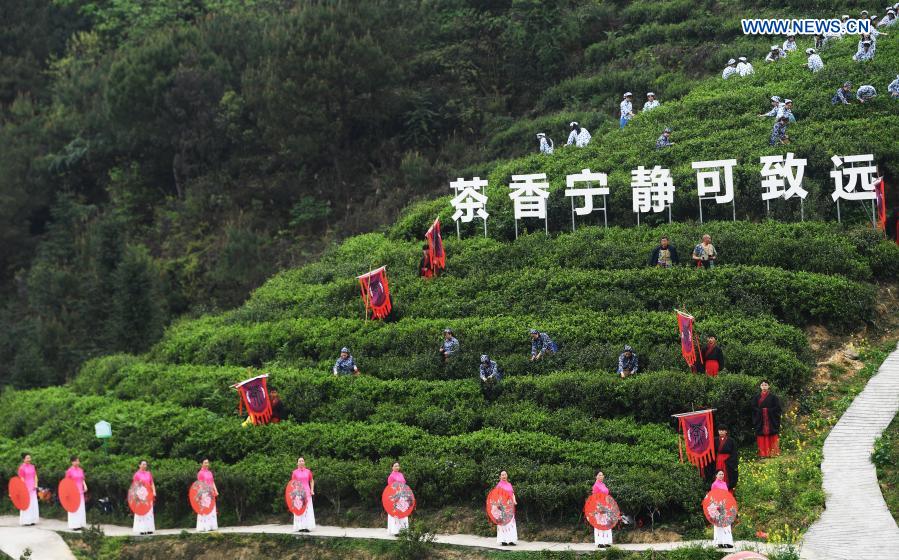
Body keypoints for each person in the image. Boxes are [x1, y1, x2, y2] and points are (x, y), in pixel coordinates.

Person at [752, 380, 782, 458]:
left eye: (765, 385)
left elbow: (777, 408)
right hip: (760, 420)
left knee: (773, 434)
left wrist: (767, 411)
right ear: (760, 387)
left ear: (768, 386)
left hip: (771, 420)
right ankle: (763, 454)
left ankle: (774, 453)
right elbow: (753, 408)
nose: (764, 386)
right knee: (761, 435)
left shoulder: (773, 397)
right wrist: (761, 411)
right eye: (762, 385)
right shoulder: (756, 398)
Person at [707, 471, 735, 549]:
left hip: (725, 505)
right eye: (720, 474)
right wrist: (716, 506)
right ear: (716, 475)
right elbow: (713, 495)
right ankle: (718, 543)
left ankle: (728, 542)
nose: (721, 475)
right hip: (718, 506)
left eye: (722, 474)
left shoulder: (725, 484)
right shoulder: (714, 484)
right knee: (718, 525)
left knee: (727, 523)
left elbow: (727, 494)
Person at [132, 460, 156, 535]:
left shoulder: (149, 473)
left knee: (149, 512)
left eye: (145, 464)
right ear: (139, 465)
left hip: (149, 494)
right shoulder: (136, 474)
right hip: (141, 495)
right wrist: (136, 495)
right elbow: (135, 485)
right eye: (143, 464)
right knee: (142, 512)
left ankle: (149, 528)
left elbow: (152, 483)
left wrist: (154, 491)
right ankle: (142, 529)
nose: (145, 465)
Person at [292, 457, 316, 532]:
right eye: (299, 461)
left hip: (307, 493)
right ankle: (300, 527)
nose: (301, 462)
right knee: (300, 510)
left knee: (307, 510)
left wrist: (312, 490)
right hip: (298, 494)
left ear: (304, 462)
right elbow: (292, 483)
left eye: (302, 461)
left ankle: (308, 527)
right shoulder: (294, 472)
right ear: (297, 463)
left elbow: (311, 481)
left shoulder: (308, 471)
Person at [495, 471, 518, 546]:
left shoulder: (509, 484)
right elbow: (496, 495)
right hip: (503, 507)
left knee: (511, 523)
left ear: (507, 476)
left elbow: (512, 494)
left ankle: (511, 540)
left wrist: (514, 500)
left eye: (505, 474)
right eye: (502, 475)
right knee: (504, 523)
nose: (504, 476)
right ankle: (504, 540)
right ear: (500, 477)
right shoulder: (499, 485)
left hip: (511, 506)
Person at [196, 459, 219, 532]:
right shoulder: (200, 473)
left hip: (211, 492)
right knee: (206, 508)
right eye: (205, 463)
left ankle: (212, 526)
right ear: (202, 464)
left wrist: (216, 490)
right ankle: (204, 526)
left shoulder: (210, 472)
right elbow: (200, 484)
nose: (207, 464)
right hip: (205, 493)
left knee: (212, 509)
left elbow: (212, 482)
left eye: (207, 462)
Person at [65, 456, 87, 530]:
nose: (77, 462)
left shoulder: (81, 470)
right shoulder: (69, 471)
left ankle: (81, 524)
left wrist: (85, 485)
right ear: (72, 462)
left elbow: (82, 479)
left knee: (80, 507)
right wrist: (67, 492)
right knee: (74, 508)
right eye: (76, 461)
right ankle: (74, 525)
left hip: (80, 491)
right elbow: (66, 482)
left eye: (78, 461)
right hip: (73, 492)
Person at [591, 472, 613, 548]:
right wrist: (598, 507)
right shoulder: (595, 486)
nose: (601, 476)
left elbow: (607, 495)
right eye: (599, 475)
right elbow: (594, 497)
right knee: (599, 524)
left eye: (602, 475)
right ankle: (600, 542)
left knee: (606, 524)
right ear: (596, 476)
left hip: (606, 505)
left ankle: (606, 541)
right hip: (599, 506)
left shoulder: (603, 484)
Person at [386, 462, 409, 535]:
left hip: (402, 495)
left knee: (403, 512)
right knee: (395, 513)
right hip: (395, 496)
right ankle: (396, 531)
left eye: (398, 466)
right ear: (392, 467)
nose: (397, 467)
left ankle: (404, 530)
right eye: (395, 466)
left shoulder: (401, 474)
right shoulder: (391, 476)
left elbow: (404, 484)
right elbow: (390, 487)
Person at [18, 453, 38, 526]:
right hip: (26, 487)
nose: (29, 459)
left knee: (33, 503)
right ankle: (26, 521)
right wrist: (24, 488)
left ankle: (33, 520)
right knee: (27, 503)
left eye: (29, 458)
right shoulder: (21, 468)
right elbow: (21, 478)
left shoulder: (32, 466)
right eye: (27, 458)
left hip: (33, 487)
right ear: (23, 459)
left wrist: (36, 484)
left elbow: (35, 476)